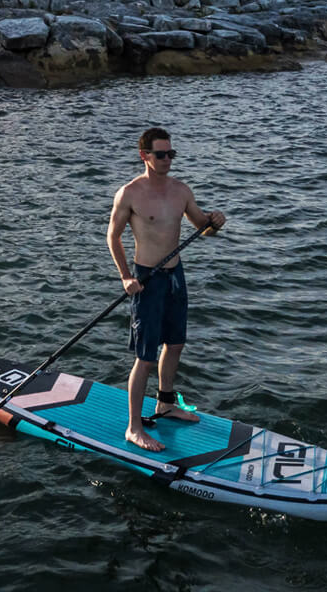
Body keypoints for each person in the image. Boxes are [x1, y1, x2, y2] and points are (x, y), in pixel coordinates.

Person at [106, 127, 226, 452]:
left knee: (175, 344)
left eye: (171, 154)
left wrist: (214, 222)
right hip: (147, 279)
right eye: (161, 154)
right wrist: (125, 277)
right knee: (144, 358)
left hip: (175, 276)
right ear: (144, 156)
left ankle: (165, 404)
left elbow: (202, 228)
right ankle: (134, 428)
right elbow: (113, 237)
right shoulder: (129, 193)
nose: (167, 160)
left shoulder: (180, 191)